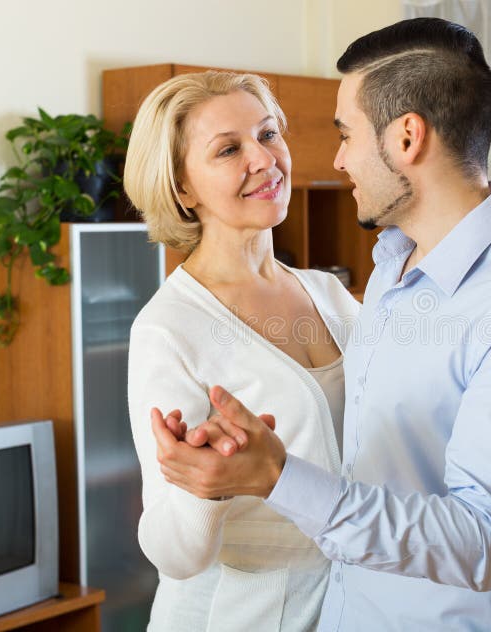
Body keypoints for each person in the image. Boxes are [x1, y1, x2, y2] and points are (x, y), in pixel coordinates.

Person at [153, 17, 491, 632]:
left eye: (346, 134)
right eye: (229, 147)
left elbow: (481, 541)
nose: (338, 158)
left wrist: (276, 476)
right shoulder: (393, 271)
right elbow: (406, 429)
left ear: (407, 139)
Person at [124, 71, 361, 631]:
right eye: (229, 149)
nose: (263, 158)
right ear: (183, 188)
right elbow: (172, 554)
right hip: (241, 614)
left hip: (351, 599)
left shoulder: (330, 294)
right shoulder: (169, 328)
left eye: (269, 133)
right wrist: (207, 491)